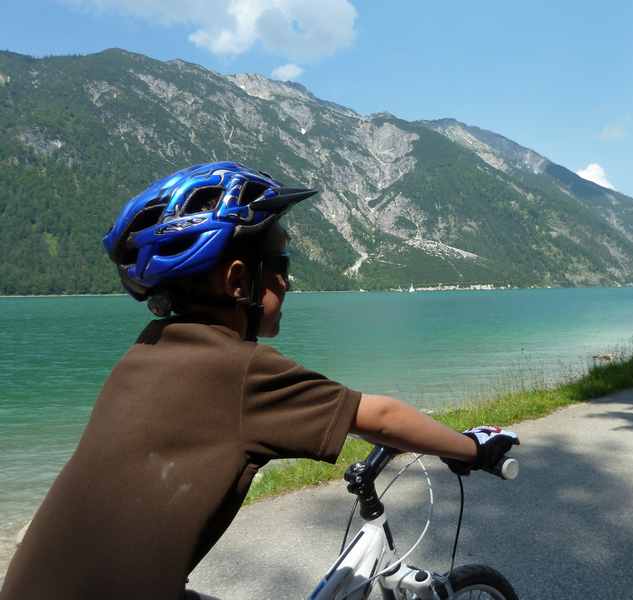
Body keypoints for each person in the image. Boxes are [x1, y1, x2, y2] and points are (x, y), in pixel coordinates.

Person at [0, 162, 519, 600]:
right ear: (236, 281)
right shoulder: (240, 370)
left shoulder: (144, 353)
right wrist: (471, 448)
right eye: (281, 264)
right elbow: (378, 417)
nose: (288, 281)